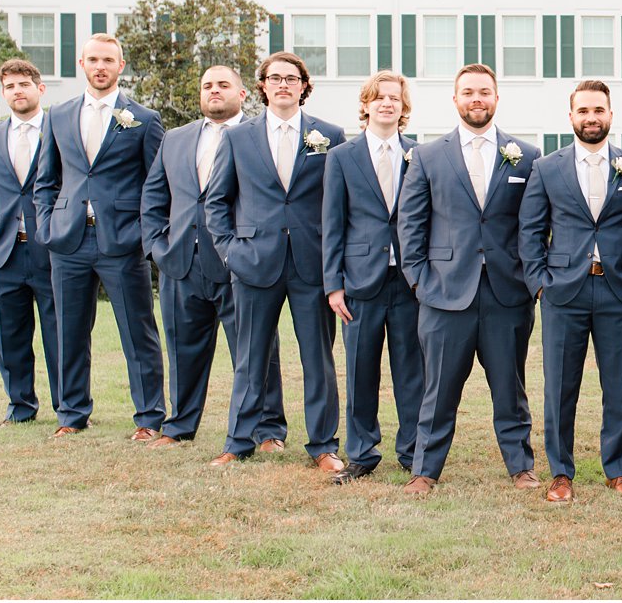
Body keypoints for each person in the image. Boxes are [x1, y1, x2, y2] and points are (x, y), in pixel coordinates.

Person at [397, 64, 542, 496]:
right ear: (455, 99)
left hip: (506, 292)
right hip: (443, 292)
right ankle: (425, 470)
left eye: (484, 92)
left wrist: (528, 281)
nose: (476, 99)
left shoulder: (527, 156)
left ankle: (521, 467)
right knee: (438, 390)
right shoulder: (426, 155)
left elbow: (533, 226)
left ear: (496, 98)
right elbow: (411, 224)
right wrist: (420, 281)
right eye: (468, 92)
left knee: (509, 388)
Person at [204, 52, 346, 474]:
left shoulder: (331, 135)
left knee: (317, 358)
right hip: (254, 263)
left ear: (304, 86)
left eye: (292, 78)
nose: (283, 84)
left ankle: (323, 445)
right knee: (249, 357)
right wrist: (231, 251)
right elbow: (217, 201)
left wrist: (334, 261)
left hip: (312, 264)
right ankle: (239, 441)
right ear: (262, 86)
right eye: (275, 78)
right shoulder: (237, 138)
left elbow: (340, 203)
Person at [519, 80, 622, 503]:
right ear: (571, 115)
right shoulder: (547, 167)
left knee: (619, 386)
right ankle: (560, 472)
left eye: (598, 110)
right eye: (583, 111)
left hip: (618, 291)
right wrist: (540, 284)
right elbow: (531, 230)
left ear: (611, 115)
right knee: (560, 386)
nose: (591, 118)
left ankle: (618, 470)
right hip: (563, 292)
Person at [140, 66, 285, 449]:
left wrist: (245, 253)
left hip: (241, 265)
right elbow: (154, 197)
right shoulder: (175, 138)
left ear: (242, 94)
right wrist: (157, 247)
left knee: (256, 351)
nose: (214, 91)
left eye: (223, 85)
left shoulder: (259, 137)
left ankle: (268, 429)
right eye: (207, 85)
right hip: (182, 264)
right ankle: (180, 426)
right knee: (182, 349)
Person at [33, 33, 165, 440]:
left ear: (121, 65)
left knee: (137, 330)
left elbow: (157, 185)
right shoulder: (58, 114)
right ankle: (72, 414)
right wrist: (47, 227)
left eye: (108, 59)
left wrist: (143, 234)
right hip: (69, 240)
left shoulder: (143, 118)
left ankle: (148, 417)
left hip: (122, 241)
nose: (100, 66)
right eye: (93, 59)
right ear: (82, 64)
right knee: (68, 330)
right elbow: (46, 180)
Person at [321, 70, 422, 484]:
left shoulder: (420, 155)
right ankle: (362, 452)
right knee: (361, 369)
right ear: (366, 104)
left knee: (412, 371)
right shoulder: (341, 157)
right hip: (360, 282)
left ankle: (415, 450)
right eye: (378, 98)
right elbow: (332, 223)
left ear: (403, 108)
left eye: (394, 99)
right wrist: (333, 284)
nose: (386, 104)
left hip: (409, 282)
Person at [0, 58, 61, 427]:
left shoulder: (59, 130)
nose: (17, 91)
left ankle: (67, 407)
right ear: (3, 93)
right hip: (1, 253)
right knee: (9, 337)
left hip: (50, 250)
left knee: (60, 335)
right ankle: (20, 408)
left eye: (23, 84)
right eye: (9, 86)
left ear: (40, 88)